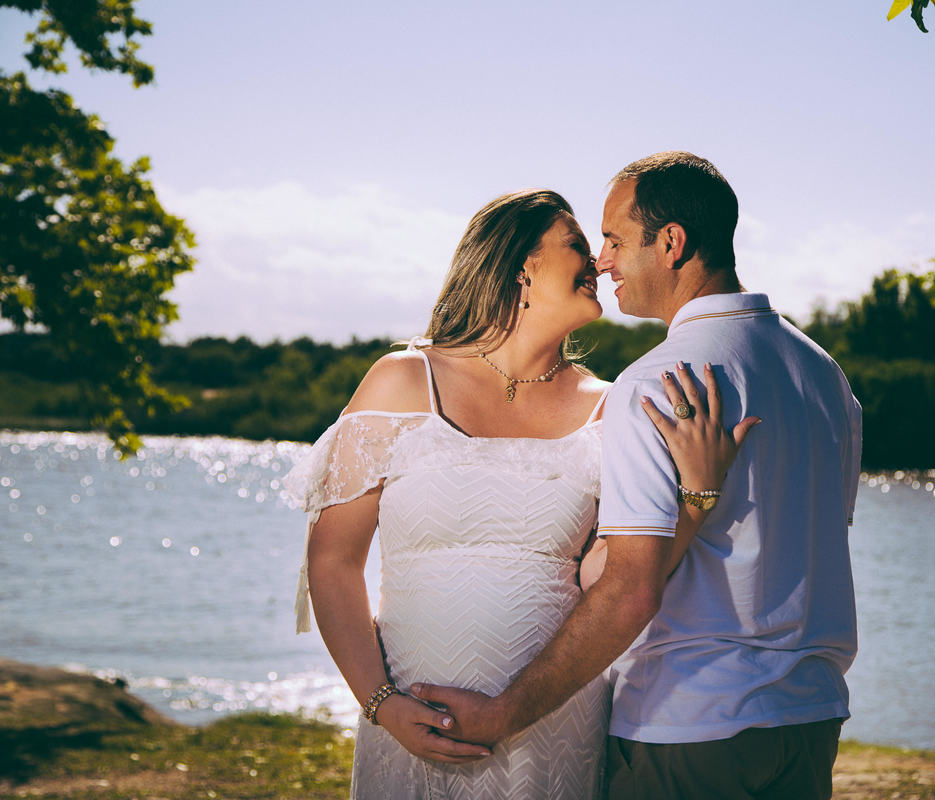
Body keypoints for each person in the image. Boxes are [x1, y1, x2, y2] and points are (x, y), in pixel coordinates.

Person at [411, 152, 862, 799]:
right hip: (808, 723)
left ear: (672, 243)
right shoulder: (824, 377)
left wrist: (503, 714)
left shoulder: (654, 384)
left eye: (617, 239)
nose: (603, 259)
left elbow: (629, 591)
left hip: (689, 730)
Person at [281, 188, 749, 799]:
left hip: (552, 731)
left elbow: (611, 577)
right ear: (521, 265)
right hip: (408, 725)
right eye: (579, 245)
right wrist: (381, 703)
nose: (601, 263)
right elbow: (333, 562)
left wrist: (695, 497)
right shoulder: (401, 382)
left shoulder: (614, 409)